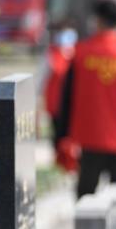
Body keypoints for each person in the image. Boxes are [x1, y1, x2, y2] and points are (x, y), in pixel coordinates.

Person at [56, 0, 116, 198]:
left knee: (85, 199)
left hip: (90, 139)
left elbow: (66, 98)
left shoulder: (81, 53)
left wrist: (60, 136)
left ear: (97, 20)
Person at [43, 20, 77, 150]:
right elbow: (42, 80)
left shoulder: (77, 53)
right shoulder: (51, 54)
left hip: (74, 104)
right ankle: (60, 160)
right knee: (58, 135)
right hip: (55, 104)